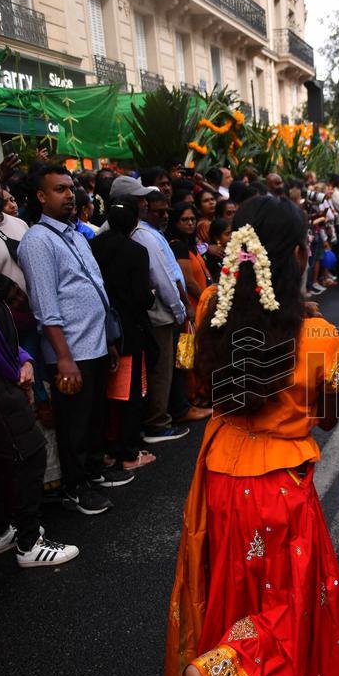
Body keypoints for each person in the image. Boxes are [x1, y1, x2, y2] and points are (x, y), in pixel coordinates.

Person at [164, 196, 339, 676]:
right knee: (288, 607)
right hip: (278, 487)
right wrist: (327, 353)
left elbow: (196, 379)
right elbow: (329, 416)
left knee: (233, 587)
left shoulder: (209, 307)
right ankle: (219, 673)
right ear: (297, 255)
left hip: (219, 477)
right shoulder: (317, 336)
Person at [18, 164, 134, 515]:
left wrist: (108, 341)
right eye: (59, 189)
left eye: (70, 188)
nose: (69, 195)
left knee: (94, 417)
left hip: (94, 344)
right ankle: (75, 487)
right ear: (41, 197)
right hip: (70, 351)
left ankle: (93, 472)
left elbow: (93, 287)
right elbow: (45, 307)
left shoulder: (74, 235)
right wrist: (64, 358)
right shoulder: (38, 241)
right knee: (74, 424)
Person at [0, 276, 79, 566]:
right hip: (3, 386)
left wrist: (24, 360)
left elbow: (4, 336)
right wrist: (19, 375)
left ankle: (1, 531)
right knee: (29, 453)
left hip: (7, 378)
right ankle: (29, 544)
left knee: (5, 458)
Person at [91, 204, 158, 470]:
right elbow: (141, 296)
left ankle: (107, 451)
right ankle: (128, 454)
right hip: (129, 330)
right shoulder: (136, 251)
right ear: (134, 224)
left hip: (99, 329)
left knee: (105, 396)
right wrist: (150, 296)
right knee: (129, 394)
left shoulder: (92, 246)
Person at [131, 193, 189, 443]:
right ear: (144, 210)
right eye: (158, 211)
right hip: (161, 311)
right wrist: (179, 309)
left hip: (166, 308)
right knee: (161, 369)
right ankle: (157, 423)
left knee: (167, 366)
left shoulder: (152, 233)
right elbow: (162, 278)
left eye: (167, 211)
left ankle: (164, 416)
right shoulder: (144, 235)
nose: (165, 216)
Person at [165, 203, 213, 417]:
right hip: (194, 305)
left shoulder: (190, 244)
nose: (190, 223)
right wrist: (208, 299)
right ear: (176, 222)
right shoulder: (177, 245)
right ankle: (191, 397)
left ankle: (199, 394)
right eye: (185, 219)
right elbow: (188, 280)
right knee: (191, 351)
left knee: (199, 349)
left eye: (193, 219)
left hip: (201, 302)